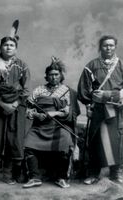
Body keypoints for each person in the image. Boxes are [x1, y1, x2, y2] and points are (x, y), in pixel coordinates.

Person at [77, 35, 123, 184]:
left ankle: (116, 174)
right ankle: (94, 174)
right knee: (96, 140)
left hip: (118, 110)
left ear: (115, 47)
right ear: (100, 47)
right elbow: (83, 91)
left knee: (118, 141)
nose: (109, 48)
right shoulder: (91, 66)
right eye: (105, 45)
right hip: (99, 109)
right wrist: (88, 106)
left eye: (111, 45)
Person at [22, 57, 80, 189]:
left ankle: (62, 177)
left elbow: (69, 112)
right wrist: (37, 114)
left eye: (56, 75)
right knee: (28, 143)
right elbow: (28, 110)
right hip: (40, 126)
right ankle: (34, 177)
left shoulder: (67, 91)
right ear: (46, 76)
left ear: (61, 76)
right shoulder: (39, 90)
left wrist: (55, 113)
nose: (53, 77)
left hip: (59, 126)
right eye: (50, 75)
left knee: (66, 141)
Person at [0, 35, 30, 186]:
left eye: (11, 45)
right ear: (0, 47)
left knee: (12, 138)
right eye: (5, 45)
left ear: (16, 48)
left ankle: (7, 175)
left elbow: (26, 88)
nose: (8, 47)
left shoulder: (22, 66)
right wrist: (2, 104)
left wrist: (15, 104)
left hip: (17, 107)